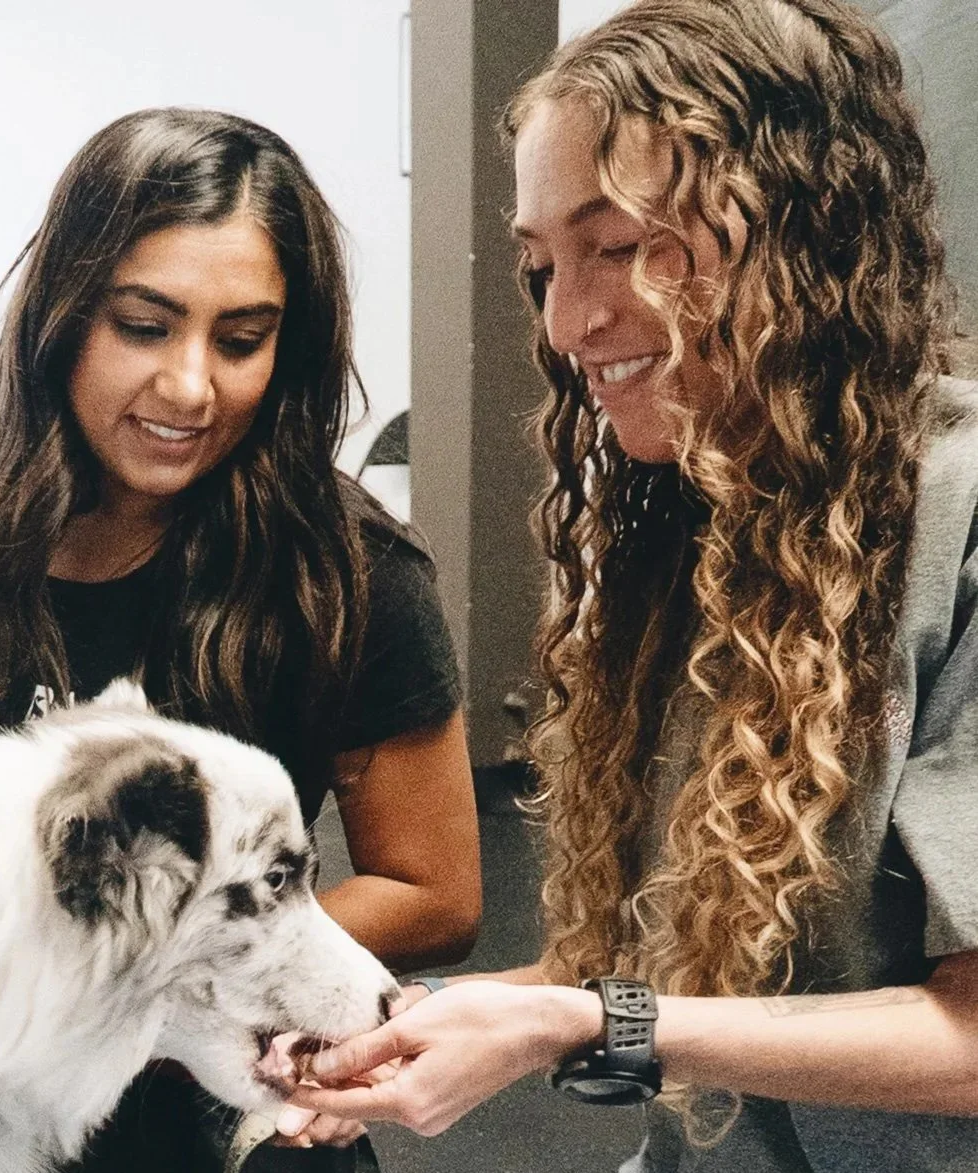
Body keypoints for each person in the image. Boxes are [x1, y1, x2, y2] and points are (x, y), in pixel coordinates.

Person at [288, 2, 978, 1170]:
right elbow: (685, 979)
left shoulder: (954, 525)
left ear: (799, 228)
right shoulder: (698, 523)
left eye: (615, 247)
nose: (567, 321)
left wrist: (593, 1023)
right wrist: (409, 1026)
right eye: (541, 263)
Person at [0, 107, 481, 1171]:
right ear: (64, 316)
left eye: (241, 341)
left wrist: (180, 973)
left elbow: (436, 893)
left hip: (198, 1111)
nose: (192, 387)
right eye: (144, 326)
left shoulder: (353, 572)